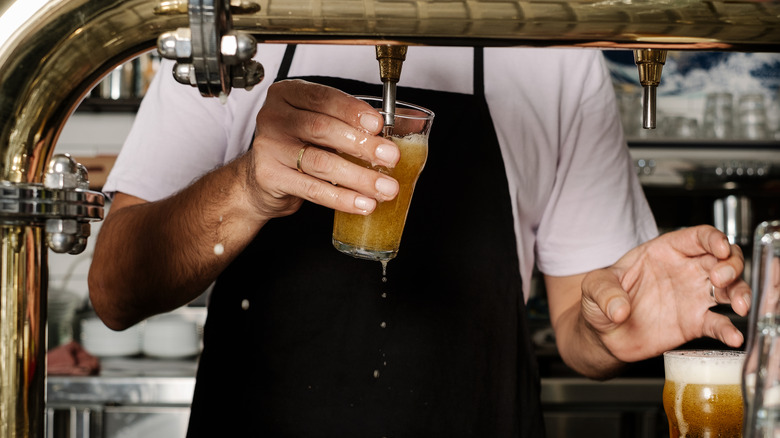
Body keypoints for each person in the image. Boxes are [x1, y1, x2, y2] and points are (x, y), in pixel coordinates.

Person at [88, 44, 750, 437]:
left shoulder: (553, 52)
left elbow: (583, 319)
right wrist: (246, 189)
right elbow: (117, 289)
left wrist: (614, 327)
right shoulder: (236, 35)